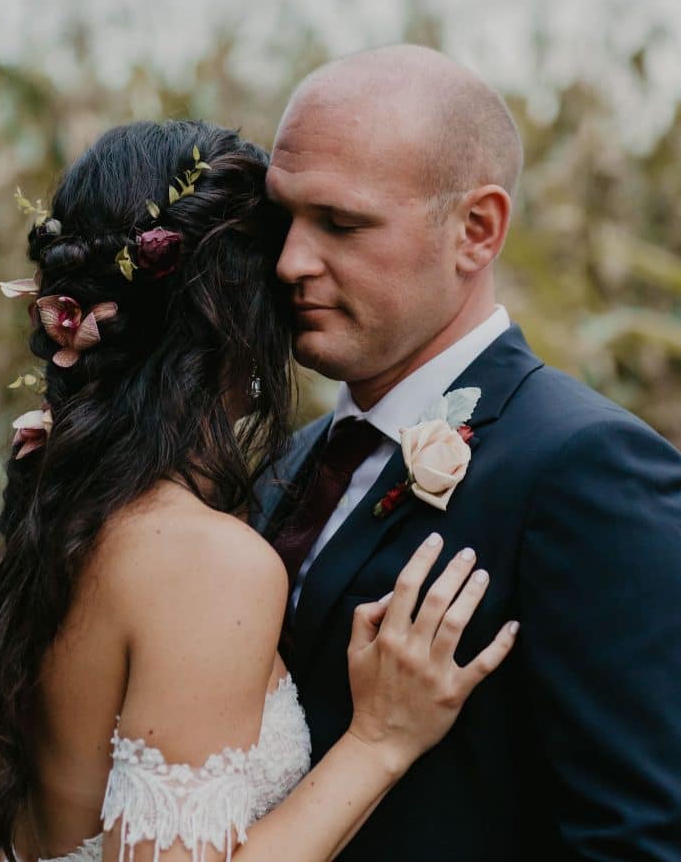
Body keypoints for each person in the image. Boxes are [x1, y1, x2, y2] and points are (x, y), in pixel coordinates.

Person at [0, 119, 517, 862]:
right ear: (233, 308)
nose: (297, 272)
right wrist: (379, 743)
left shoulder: (57, 514)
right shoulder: (205, 560)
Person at [259, 44, 681, 862]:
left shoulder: (586, 469)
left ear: (476, 231)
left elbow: (642, 837)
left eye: (341, 223)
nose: (289, 262)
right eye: (284, 217)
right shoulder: (292, 462)